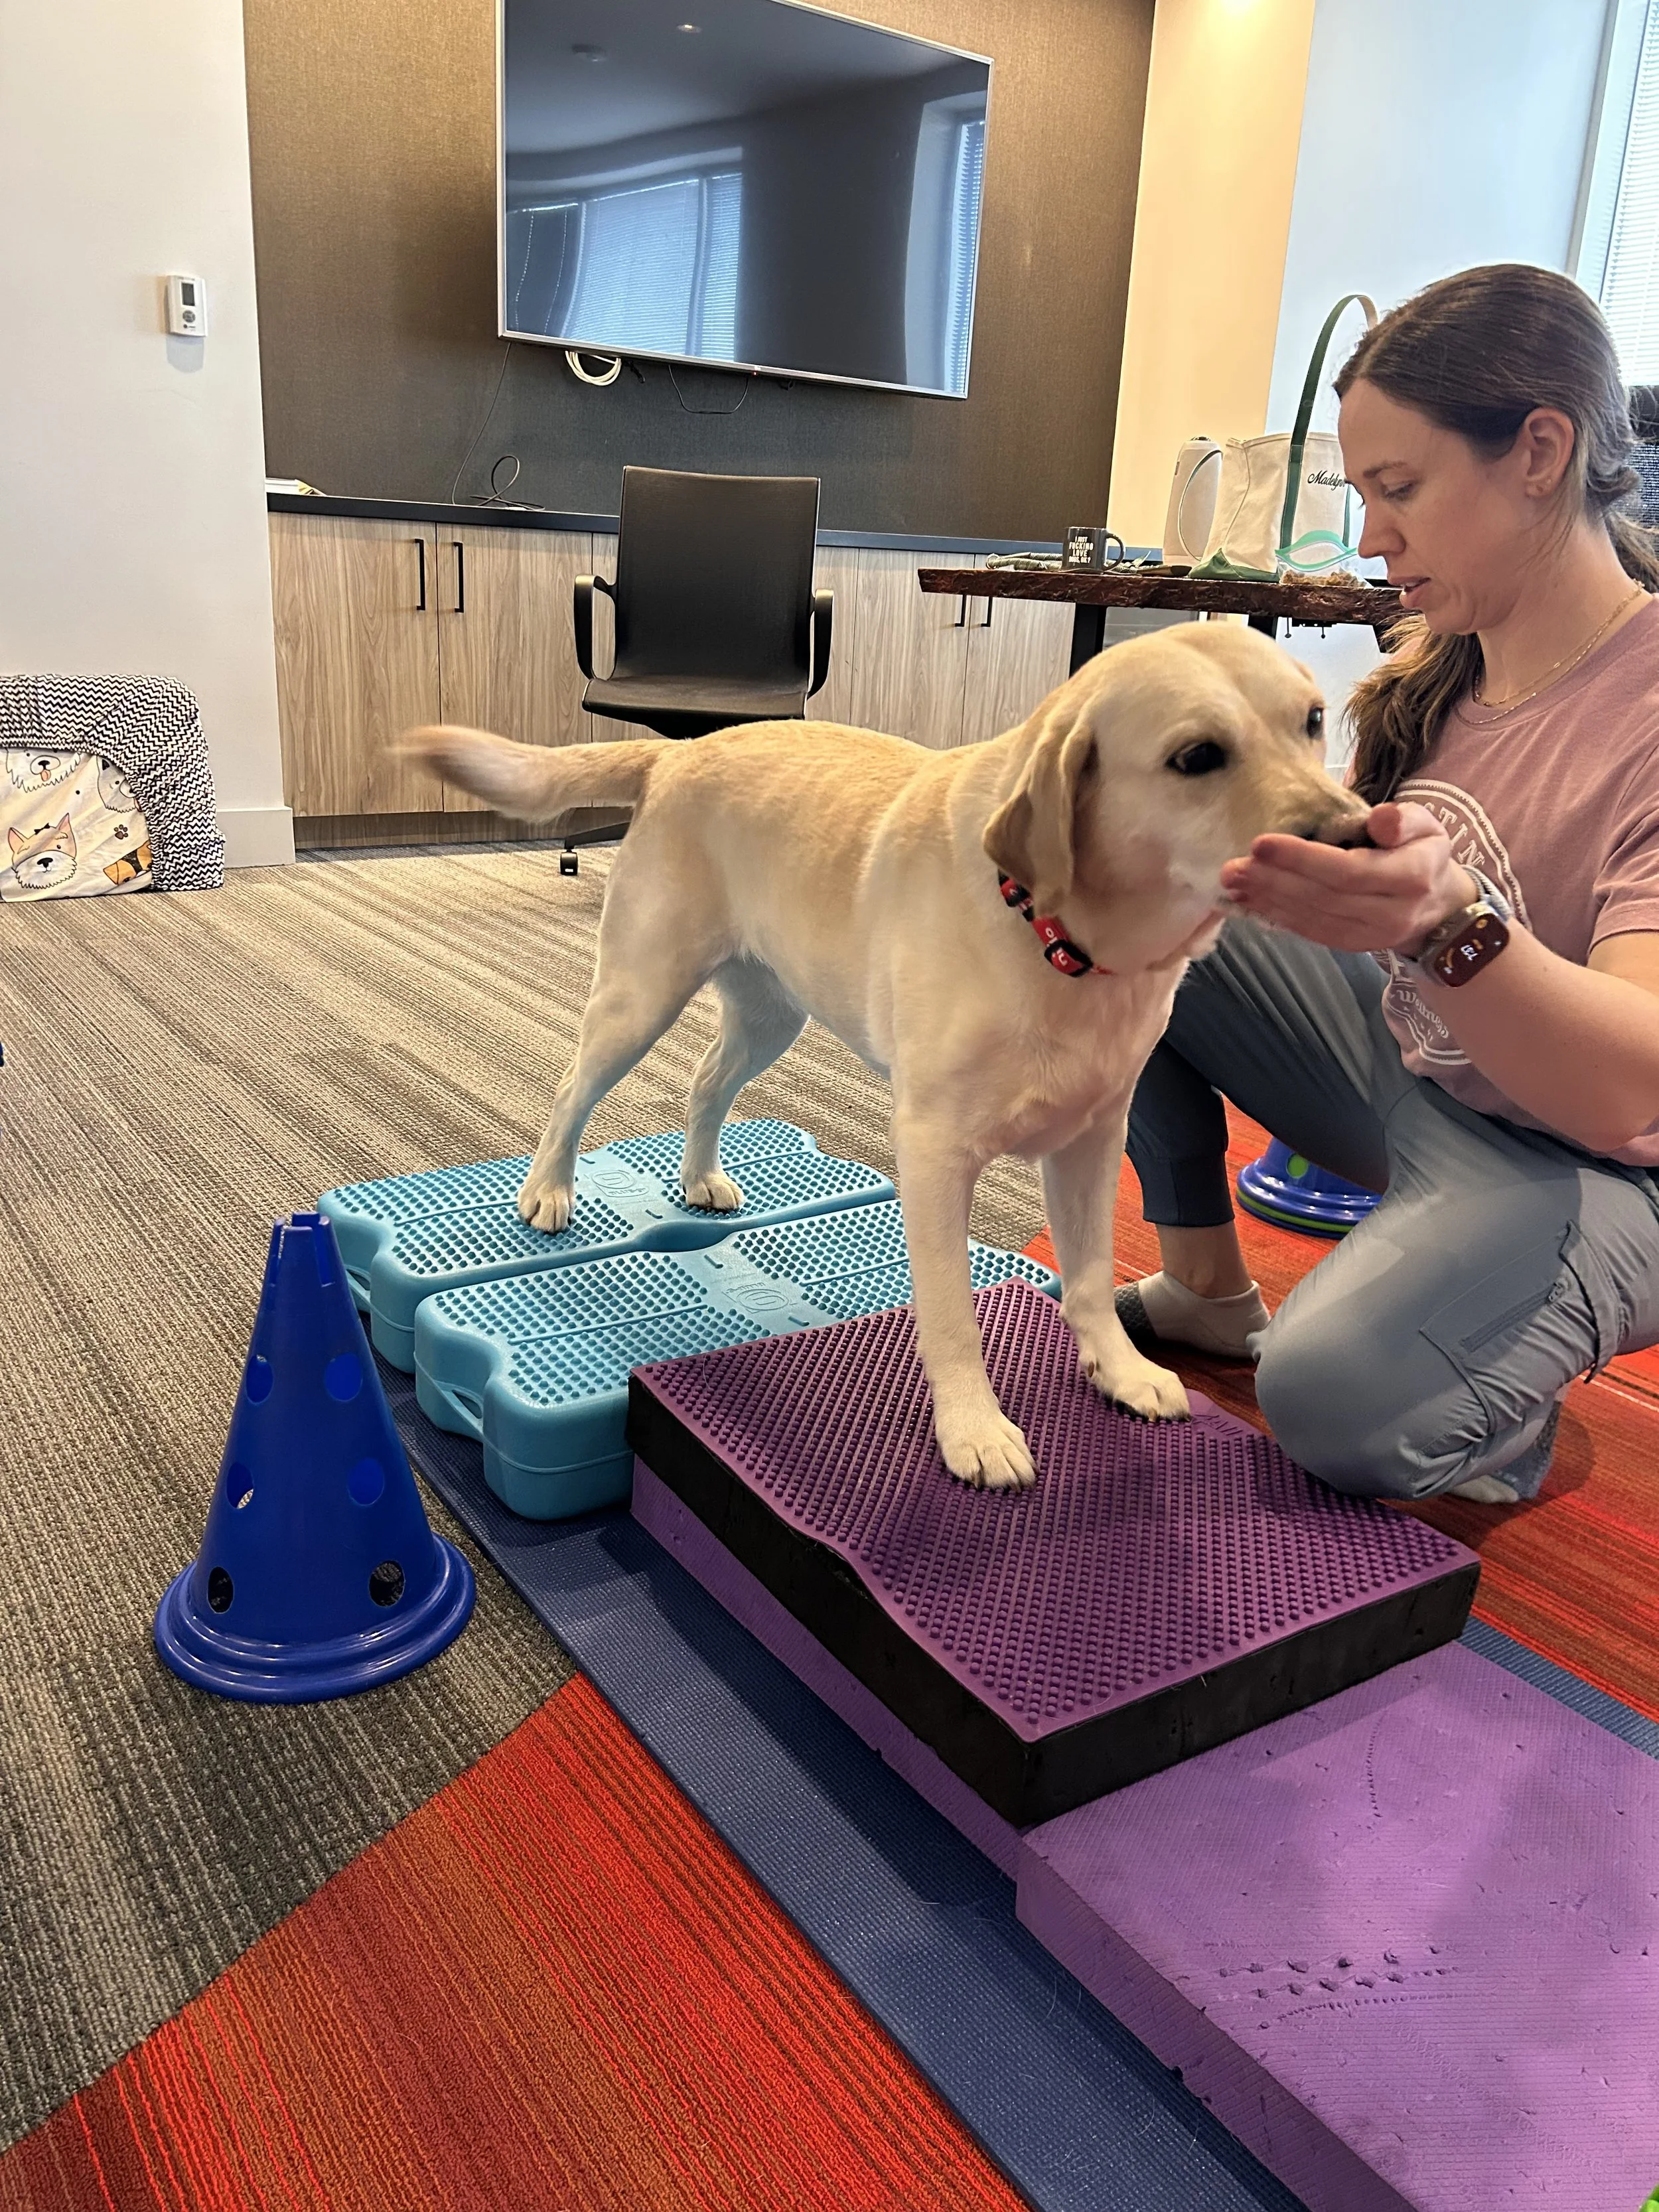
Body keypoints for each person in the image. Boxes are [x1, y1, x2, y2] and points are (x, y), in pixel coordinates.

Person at [1119, 263, 1659, 1505]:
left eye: (1400, 489)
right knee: (1131, 892)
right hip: (1427, 1080)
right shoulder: (1441, 675)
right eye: (1363, 495)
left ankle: (1488, 1389)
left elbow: (1630, 1078)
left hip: (1602, 1163)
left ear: (1540, 450)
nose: (1371, 538)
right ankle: (1204, 1286)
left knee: (1331, 1403)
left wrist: (1447, 926)